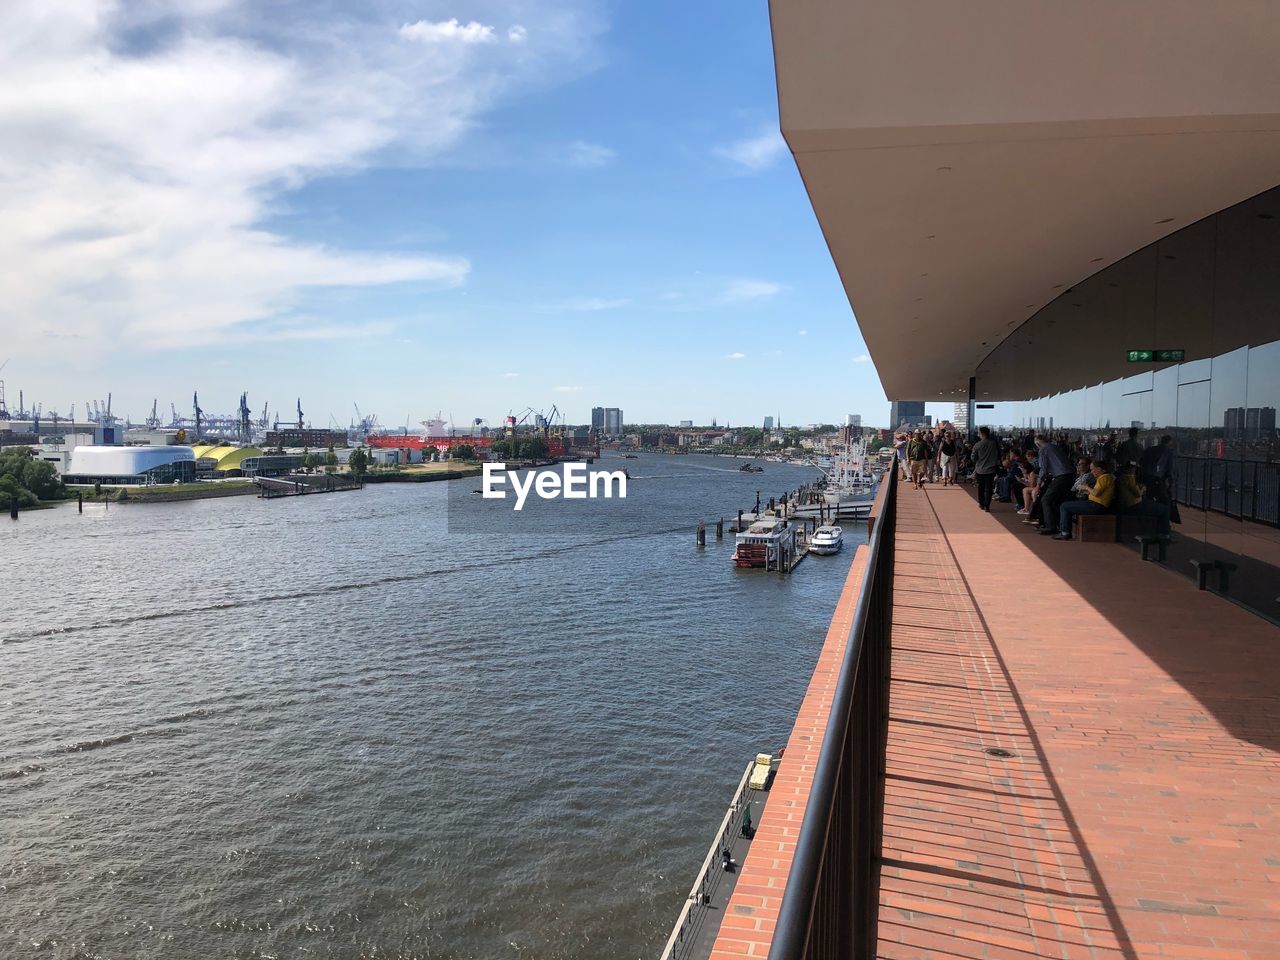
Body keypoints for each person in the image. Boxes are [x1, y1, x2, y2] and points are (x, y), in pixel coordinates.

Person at [1054, 460, 1115, 539]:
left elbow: (1096, 493)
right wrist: (1086, 491)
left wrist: (1086, 487)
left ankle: (1065, 532)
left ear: (1099, 469)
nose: (1092, 472)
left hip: (1096, 505)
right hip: (1095, 503)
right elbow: (1096, 493)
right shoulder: (1104, 477)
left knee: (1064, 506)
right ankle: (1069, 527)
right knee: (1071, 503)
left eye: (1093, 469)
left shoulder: (1104, 478)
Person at [1034, 434, 1076, 536]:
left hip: (1061, 476)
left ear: (1037, 443)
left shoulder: (1043, 450)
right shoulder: (1055, 447)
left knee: (1046, 499)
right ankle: (1059, 526)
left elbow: (1043, 468)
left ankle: (1050, 527)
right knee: (1058, 500)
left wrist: (1038, 484)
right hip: (1070, 476)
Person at [971, 426, 1001, 510]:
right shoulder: (993, 444)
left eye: (978, 433)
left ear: (982, 434)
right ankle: (987, 505)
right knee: (989, 489)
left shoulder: (977, 445)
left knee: (981, 488)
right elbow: (998, 455)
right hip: (991, 470)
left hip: (980, 469)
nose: (978, 434)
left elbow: (973, 458)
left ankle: (981, 503)